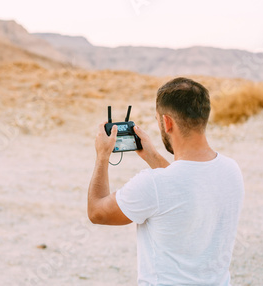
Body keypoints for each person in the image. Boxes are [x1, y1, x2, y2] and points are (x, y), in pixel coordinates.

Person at [87, 77, 244, 285]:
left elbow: (97, 212)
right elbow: (184, 188)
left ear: (167, 122)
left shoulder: (154, 184)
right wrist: (152, 156)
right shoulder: (231, 170)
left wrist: (102, 155)